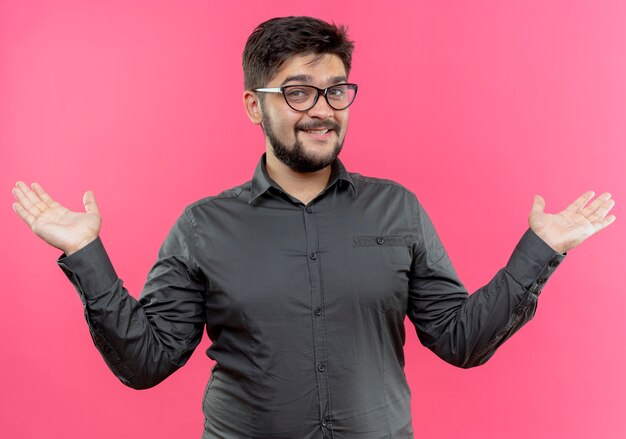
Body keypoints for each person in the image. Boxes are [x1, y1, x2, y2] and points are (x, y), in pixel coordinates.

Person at [11, 16, 615, 439]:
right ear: (255, 105)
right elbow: (146, 361)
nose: (322, 109)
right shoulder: (202, 226)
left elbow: (460, 340)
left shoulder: (397, 210)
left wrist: (542, 250)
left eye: (335, 90)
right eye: (298, 92)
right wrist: (85, 253)